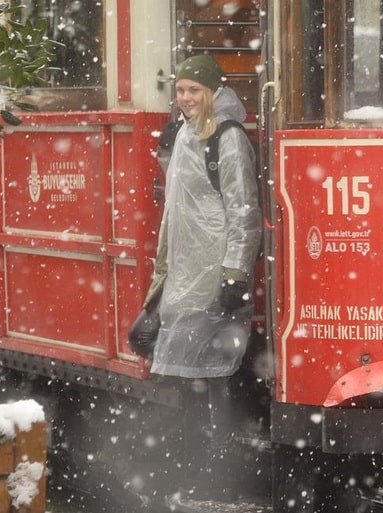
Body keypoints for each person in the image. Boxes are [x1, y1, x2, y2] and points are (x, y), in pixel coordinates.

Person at [144, 54, 262, 501]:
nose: (187, 98)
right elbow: (176, 208)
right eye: (181, 91)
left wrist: (234, 272)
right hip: (185, 274)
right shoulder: (187, 132)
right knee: (190, 376)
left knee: (216, 376)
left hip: (212, 273)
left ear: (214, 91)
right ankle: (197, 469)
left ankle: (219, 469)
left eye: (195, 90)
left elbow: (243, 209)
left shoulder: (228, 138)